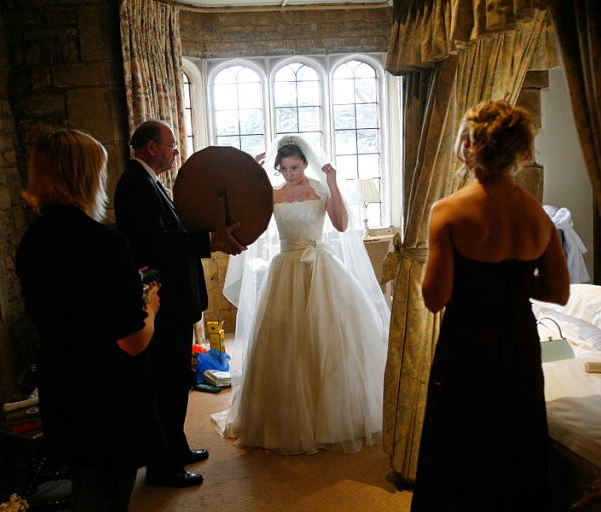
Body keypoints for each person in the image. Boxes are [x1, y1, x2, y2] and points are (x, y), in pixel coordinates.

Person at [411, 100, 570, 510]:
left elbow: (435, 299)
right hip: (518, 347)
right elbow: (558, 291)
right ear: (519, 150)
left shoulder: (448, 212)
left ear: (467, 147)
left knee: (460, 447)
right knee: (516, 444)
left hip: (467, 348)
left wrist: (472, 277)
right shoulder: (538, 217)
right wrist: (514, 284)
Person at [212, 135, 390, 455]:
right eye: (283, 169)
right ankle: (288, 417)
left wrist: (333, 183)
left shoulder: (319, 190)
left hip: (320, 266)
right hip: (286, 268)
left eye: (295, 167)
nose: (290, 173)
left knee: (326, 336)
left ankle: (332, 415)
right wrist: (252, 172)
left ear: (305, 164)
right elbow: (245, 213)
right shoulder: (273, 194)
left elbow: (340, 223)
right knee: (285, 339)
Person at [16, 129, 165, 512]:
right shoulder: (105, 242)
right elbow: (132, 340)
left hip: (62, 385)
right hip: (108, 396)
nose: (103, 178)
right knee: (107, 498)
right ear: (84, 177)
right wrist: (150, 307)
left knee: (85, 489)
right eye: (99, 170)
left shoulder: (32, 242)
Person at [113, 120, 245, 488]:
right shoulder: (134, 185)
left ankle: (177, 445)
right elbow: (156, 244)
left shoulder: (148, 183)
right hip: (163, 302)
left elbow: (171, 233)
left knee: (176, 380)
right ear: (151, 147)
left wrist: (216, 235)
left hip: (175, 301)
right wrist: (210, 242)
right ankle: (163, 466)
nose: (175, 152)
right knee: (168, 384)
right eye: (171, 145)